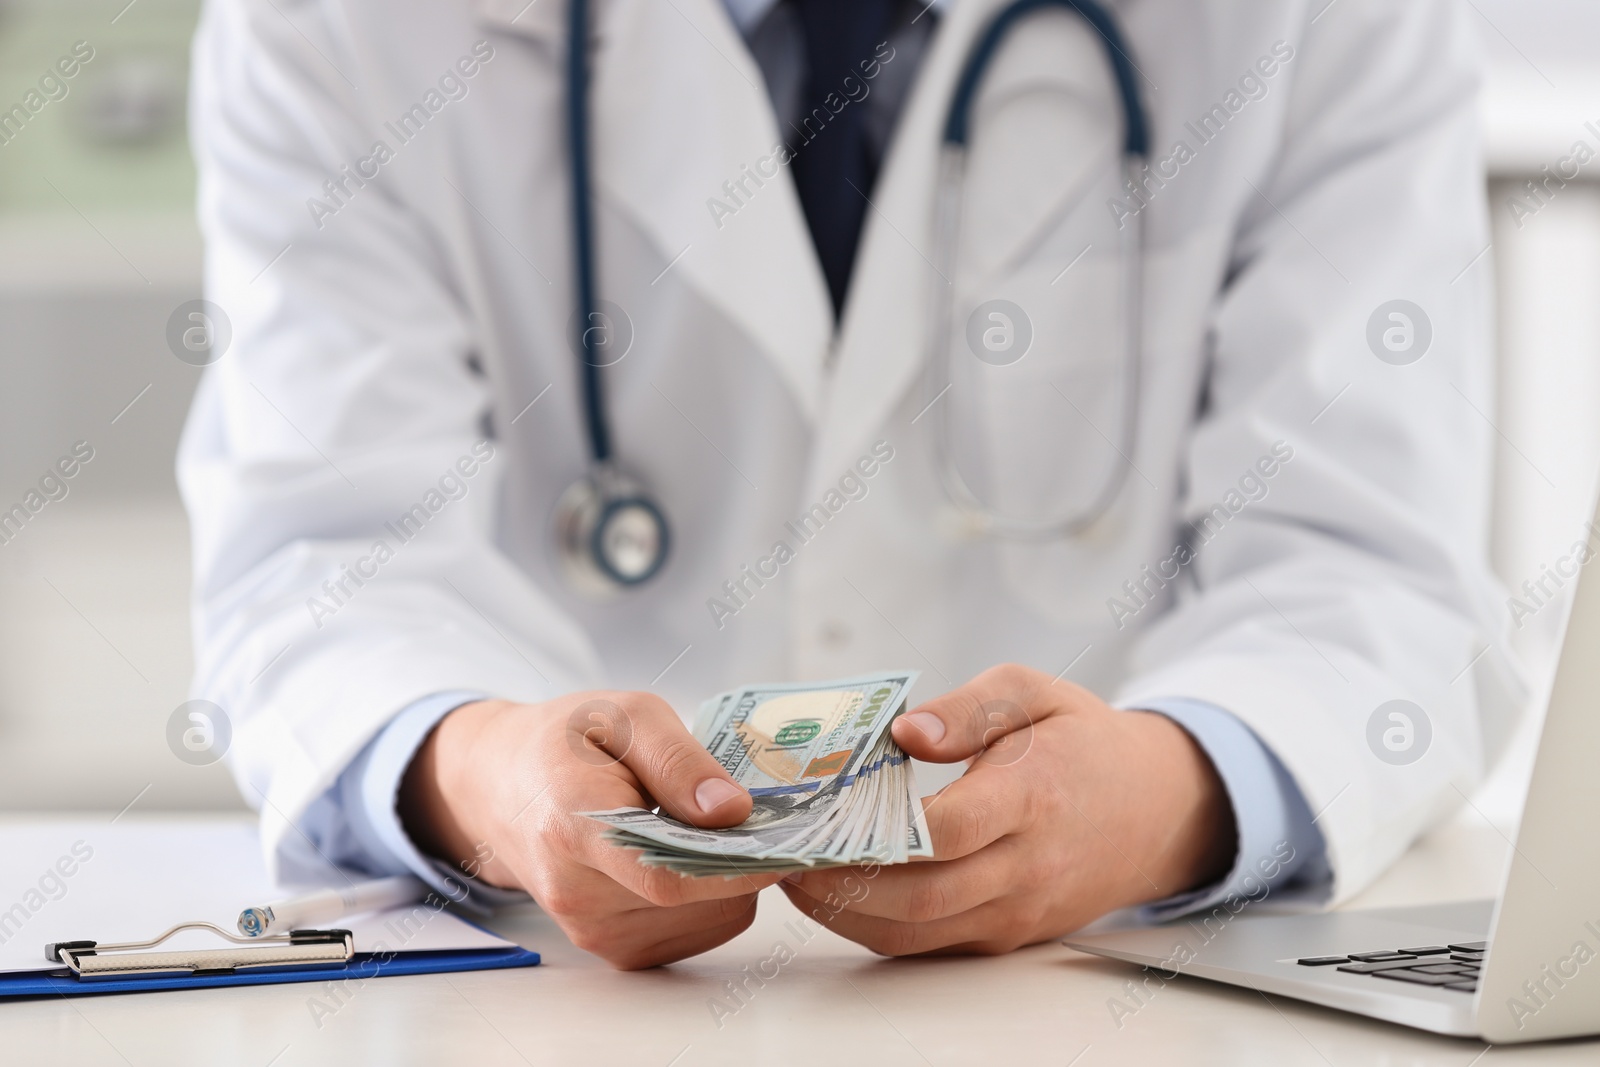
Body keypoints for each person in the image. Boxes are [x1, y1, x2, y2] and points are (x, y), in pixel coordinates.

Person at [180, 0, 1522, 969]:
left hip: (1108, 994)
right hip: (564, 1005)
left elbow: (1369, 572)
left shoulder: (1341, 22)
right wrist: (489, 783)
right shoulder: (334, 28)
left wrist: (1162, 799)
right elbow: (322, 563)